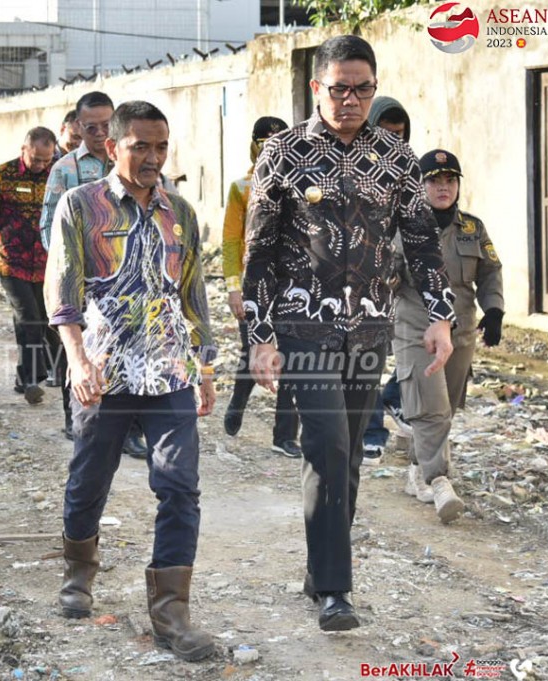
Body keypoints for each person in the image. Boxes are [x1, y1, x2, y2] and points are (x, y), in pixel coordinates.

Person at [242, 35, 456, 631]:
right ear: (317, 88)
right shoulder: (282, 153)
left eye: (363, 88)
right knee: (331, 445)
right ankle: (337, 590)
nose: (351, 99)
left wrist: (440, 316)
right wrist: (261, 335)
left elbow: (421, 244)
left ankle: (319, 568)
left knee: (343, 459)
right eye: (339, 88)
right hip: (302, 325)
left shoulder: (395, 157)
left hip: (369, 330)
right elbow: (258, 252)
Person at [44, 100, 216, 662]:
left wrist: (205, 366)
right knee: (89, 478)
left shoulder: (180, 212)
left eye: (161, 146)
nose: (152, 157)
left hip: (168, 369)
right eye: (140, 145)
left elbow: (193, 294)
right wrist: (76, 358)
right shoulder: (80, 205)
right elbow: (64, 290)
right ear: (112, 145)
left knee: (179, 484)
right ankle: (78, 574)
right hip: (104, 369)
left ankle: (171, 613)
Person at [394, 149, 503, 520]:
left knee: (447, 405)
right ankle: (439, 480)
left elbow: (490, 271)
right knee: (432, 404)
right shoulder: (401, 226)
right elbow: (381, 275)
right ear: (419, 185)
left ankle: (415, 470)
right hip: (415, 323)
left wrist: (495, 310)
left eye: (450, 180)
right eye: (434, 180)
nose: (443, 187)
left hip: (461, 327)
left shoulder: (472, 228)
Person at [40, 90, 147, 458]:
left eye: (106, 125)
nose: (100, 133)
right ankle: (78, 414)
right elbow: (47, 229)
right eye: (91, 127)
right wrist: (75, 266)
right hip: (84, 284)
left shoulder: (137, 161)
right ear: (76, 127)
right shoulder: (65, 170)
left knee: (132, 348)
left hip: (132, 282)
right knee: (79, 347)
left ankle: (132, 429)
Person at [221, 116, 301, 458]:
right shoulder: (242, 187)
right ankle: (238, 400)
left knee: (294, 360)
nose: (270, 147)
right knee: (254, 352)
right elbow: (230, 242)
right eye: (263, 141)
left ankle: (284, 436)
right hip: (255, 286)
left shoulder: (302, 184)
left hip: (293, 287)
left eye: (277, 140)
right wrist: (233, 287)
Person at [0, 128, 72, 426]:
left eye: (46, 159)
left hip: (47, 264)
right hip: (11, 262)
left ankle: (29, 376)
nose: (40, 165)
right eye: (35, 159)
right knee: (29, 317)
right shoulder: (2, 175)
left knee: (46, 320)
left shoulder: (58, 176)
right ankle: (34, 378)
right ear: (24, 149)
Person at [361, 96, 417, 464]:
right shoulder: (353, 169)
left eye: (400, 134)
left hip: (404, 284)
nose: (393, 141)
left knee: (413, 354)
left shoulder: (410, 171)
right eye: (386, 133)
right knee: (366, 361)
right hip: (363, 286)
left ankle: (394, 396)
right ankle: (371, 432)